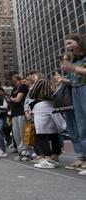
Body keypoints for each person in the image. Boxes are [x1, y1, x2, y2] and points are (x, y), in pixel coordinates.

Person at [58, 33, 86, 175]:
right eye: (66, 44)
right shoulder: (73, 60)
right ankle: (83, 158)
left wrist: (73, 68)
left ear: (79, 42)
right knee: (81, 127)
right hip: (76, 91)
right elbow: (72, 80)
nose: (68, 47)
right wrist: (63, 79)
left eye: (70, 43)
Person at [8, 74, 29, 153]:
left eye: (10, 79)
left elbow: (18, 99)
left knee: (23, 133)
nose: (9, 82)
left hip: (21, 112)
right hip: (14, 113)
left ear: (15, 78)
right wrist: (11, 99)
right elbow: (13, 100)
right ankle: (21, 152)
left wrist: (12, 99)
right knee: (16, 134)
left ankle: (26, 151)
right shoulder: (13, 89)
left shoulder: (22, 86)